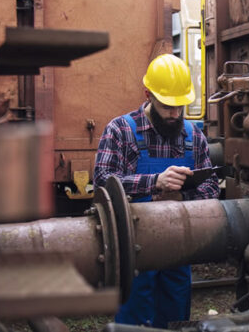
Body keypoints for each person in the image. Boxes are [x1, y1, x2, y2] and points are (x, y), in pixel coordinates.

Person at [93, 54, 220, 327]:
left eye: (180, 106)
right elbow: (103, 181)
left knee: (175, 319)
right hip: (134, 252)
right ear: (148, 94)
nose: (175, 114)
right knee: (134, 321)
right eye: (167, 107)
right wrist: (154, 182)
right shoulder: (120, 131)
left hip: (180, 248)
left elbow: (211, 187)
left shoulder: (194, 136)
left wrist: (184, 194)